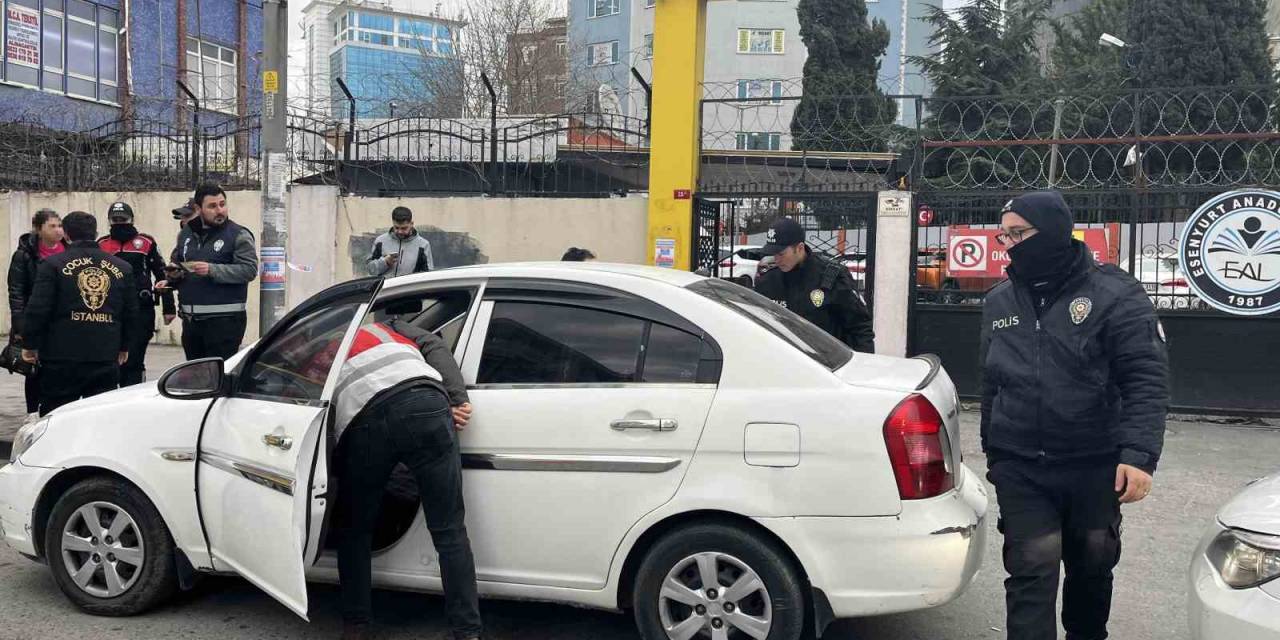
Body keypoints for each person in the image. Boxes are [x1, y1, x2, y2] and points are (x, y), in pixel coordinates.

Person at [979, 191, 1169, 640]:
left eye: (1018, 233)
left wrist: (1139, 455)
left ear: (1053, 232)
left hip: (1094, 462)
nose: (1008, 243)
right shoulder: (999, 300)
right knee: (1030, 570)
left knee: (1091, 571)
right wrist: (994, 449)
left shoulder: (1114, 294)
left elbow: (1145, 376)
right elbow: (992, 380)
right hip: (1022, 465)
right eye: (1004, 234)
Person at [325, 299, 480, 640]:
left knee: (355, 530)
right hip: (426, 401)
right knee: (450, 530)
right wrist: (457, 398)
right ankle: (467, 632)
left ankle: (357, 626)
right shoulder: (389, 327)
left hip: (366, 418)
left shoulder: (322, 348)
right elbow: (434, 344)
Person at [21, 211, 137, 416]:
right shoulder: (122, 267)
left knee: (58, 417)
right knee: (100, 417)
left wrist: (30, 344)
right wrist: (125, 345)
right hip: (104, 354)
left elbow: (38, 309)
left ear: (66, 234)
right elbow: (130, 312)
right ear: (96, 233)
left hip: (61, 356)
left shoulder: (52, 265)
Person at [165, 183, 258, 361]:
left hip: (224, 322)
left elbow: (249, 270)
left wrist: (212, 270)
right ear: (199, 209)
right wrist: (172, 278)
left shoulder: (238, 235)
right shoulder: (186, 234)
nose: (219, 210)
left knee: (217, 379)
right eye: (212, 206)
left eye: (222, 204)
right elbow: (179, 263)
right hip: (191, 322)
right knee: (196, 378)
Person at [753, 218, 875, 353]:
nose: (776, 259)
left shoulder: (832, 276)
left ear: (799, 248)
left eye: (781, 254)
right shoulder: (767, 280)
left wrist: (863, 364)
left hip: (826, 365)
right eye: (773, 254)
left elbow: (860, 327)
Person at [98, 202, 176, 386]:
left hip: (141, 308)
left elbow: (162, 274)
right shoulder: (102, 244)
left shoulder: (146, 242)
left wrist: (169, 307)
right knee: (110, 360)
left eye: (123, 219)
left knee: (134, 359)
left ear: (131, 219)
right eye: (115, 220)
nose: (119, 223)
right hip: (111, 309)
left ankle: (133, 394)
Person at [7, 209, 67, 420]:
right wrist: (21, 326)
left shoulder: (67, 251)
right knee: (33, 367)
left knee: (58, 367)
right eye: (52, 226)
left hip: (60, 320)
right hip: (35, 317)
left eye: (60, 225)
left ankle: (56, 410)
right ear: (38, 228)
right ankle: (32, 411)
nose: (58, 230)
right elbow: (16, 292)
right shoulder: (24, 255)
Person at [366, 206, 434, 277]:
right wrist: (385, 262)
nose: (400, 231)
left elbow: (428, 275)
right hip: (385, 287)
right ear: (393, 223)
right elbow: (370, 270)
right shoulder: (380, 241)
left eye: (404, 228)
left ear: (411, 224)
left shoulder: (423, 245)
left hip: (409, 287)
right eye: (396, 227)